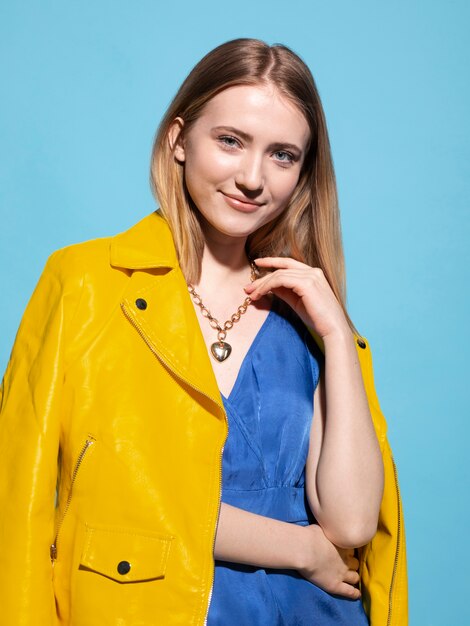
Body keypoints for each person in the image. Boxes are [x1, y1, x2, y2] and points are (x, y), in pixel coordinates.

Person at [0, 38, 407, 625]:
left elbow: (348, 524)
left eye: (283, 155)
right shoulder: (85, 286)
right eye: (230, 140)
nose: (252, 177)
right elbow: (47, 503)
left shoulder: (310, 319)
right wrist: (299, 548)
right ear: (178, 140)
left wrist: (338, 337)